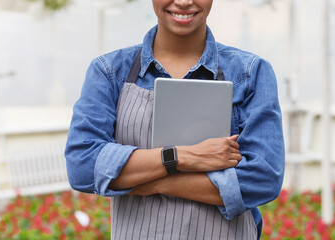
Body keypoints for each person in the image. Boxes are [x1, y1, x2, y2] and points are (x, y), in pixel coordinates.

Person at [65, 0, 284, 239]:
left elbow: (263, 178)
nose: (183, 2)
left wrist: (150, 183)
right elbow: (83, 165)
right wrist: (184, 156)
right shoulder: (109, 72)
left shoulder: (251, 73)